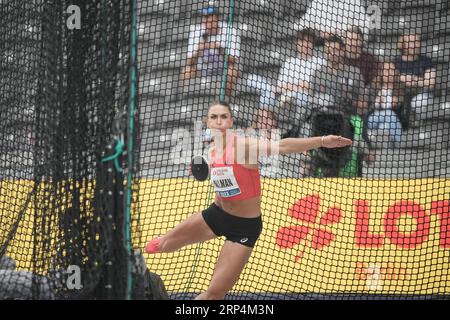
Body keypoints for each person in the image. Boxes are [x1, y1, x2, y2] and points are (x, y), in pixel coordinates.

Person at [145, 101, 352, 300]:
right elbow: (224, 185)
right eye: (214, 117)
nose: (218, 121)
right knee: (159, 244)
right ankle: (133, 279)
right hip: (216, 215)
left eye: (223, 117)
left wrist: (322, 141)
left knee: (215, 294)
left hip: (244, 228)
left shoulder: (243, 146)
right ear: (207, 122)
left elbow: (283, 146)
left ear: (231, 121)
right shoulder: (211, 151)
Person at [247, 28, 325, 122]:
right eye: (302, 41)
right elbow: (280, 86)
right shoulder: (290, 62)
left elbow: (310, 86)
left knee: (273, 93)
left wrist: (291, 87)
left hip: (305, 97)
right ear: (297, 43)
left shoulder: (319, 62)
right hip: (284, 96)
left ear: (313, 44)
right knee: (254, 81)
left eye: (308, 41)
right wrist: (296, 86)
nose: (305, 44)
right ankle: (264, 123)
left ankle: (261, 123)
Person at [182, 6, 240, 96]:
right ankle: (184, 100)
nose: (206, 21)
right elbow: (189, 61)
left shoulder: (230, 30)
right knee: (187, 71)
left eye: (209, 18)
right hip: (203, 70)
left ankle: (229, 100)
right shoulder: (196, 31)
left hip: (222, 69)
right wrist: (198, 50)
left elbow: (234, 60)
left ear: (217, 19)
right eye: (204, 17)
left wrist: (219, 49)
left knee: (232, 71)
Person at [393, 32, 436, 128]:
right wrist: (401, 78)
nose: (415, 45)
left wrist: (414, 80)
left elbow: (430, 83)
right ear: (403, 45)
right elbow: (389, 79)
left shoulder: (426, 60)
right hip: (401, 94)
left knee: (418, 102)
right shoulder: (396, 62)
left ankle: (417, 125)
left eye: (417, 42)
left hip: (421, 94)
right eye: (411, 42)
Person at [367, 62, 404, 144]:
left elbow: (402, 112)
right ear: (381, 73)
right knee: (389, 114)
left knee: (384, 127)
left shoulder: (400, 89)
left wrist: (397, 104)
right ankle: (400, 144)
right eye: (387, 70)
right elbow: (367, 106)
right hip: (372, 119)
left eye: (392, 70)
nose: (390, 73)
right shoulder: (373, 88)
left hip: (389, 122)